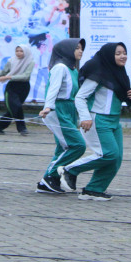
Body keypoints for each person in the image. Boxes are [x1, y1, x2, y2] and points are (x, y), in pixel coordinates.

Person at [58, 42, 131, 201]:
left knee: (116, 158)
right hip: (98, 120)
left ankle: (93, 190)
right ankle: (69, 170)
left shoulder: (119, 74)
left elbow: (127, 96)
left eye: (124, 52)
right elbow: (80, 97)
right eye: (118, 53)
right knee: (109, 154)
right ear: (108, 55)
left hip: (114, 121)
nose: (122, 56)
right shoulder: (99, 74)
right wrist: (85, 117)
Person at [37, 38, 86, 194]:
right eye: (77, 48)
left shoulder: (72, 69)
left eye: (81, 48)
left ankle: (49, 182)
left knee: (62, 147)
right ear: (67, 50)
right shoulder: (60, 67)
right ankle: (50, 176)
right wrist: (48, 107)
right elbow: (53, 88)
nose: (80, 51)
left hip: (70, 109)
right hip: (58, 109)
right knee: (77, 145)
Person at [0, 44, 35, 136]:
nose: (18, 53)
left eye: (21, 51)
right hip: (12, 87)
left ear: (26, 52)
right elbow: (3, 72)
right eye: (17, 51)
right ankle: (22, 128)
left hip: (24, 87)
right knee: (16, 107)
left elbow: (25, 76)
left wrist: (8, 77)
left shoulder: (30, 62)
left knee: (15, 108)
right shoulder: (11, 61)